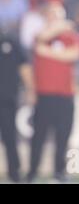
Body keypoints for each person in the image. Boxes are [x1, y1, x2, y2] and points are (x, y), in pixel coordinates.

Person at [27, 1, 79, 183]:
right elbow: (39, 41)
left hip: (65, 95)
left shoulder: (70, 37)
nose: (55, 19)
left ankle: (59, 172)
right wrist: (60, 28)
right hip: (44, 95)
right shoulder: (40, 34)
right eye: (52, 14)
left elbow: (74, 54)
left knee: (63, 136)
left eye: (58, 15)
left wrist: (48, 52)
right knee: (39, 137)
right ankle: (32, 172)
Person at [0, 25, 34, 183]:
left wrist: (30, 89)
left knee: (9, 136)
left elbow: (24, 66)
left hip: (6, 97)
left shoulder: (10, 40)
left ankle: (14, 172)